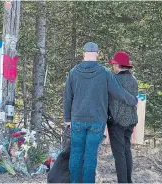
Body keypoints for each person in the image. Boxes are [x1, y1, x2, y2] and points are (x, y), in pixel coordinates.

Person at [63, 42, 138, 183]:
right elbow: (119, 92)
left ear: (83, 53)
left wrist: (67, 118)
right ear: (97, 53)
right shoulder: (105, 72)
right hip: (97, 121)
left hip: (77, 119)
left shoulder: (73, 72)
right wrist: (133, 100)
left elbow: (67, 96)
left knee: (76, 154)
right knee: (91, 156)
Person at [107, 51, 138, 183]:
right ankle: (128, 181)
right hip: (130, 121)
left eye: (114, 64)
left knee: (119, 154)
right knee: (126, 151)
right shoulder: (133, 79)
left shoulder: (114, 80)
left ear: (118, 65)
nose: (113, 66)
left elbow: (109, 100)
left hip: (117, 122)